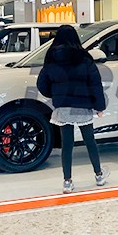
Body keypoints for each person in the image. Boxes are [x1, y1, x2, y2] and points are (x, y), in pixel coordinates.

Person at [36, 25, 108, 194]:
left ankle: (67, 182)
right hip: (82, 106)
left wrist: (56, 95)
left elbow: (42, 83)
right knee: (90, 141)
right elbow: (95, 83)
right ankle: (99, 175)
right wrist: (99, 106)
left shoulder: (51, 56)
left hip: (63, 107)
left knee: (67, 145)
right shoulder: (84, 56)